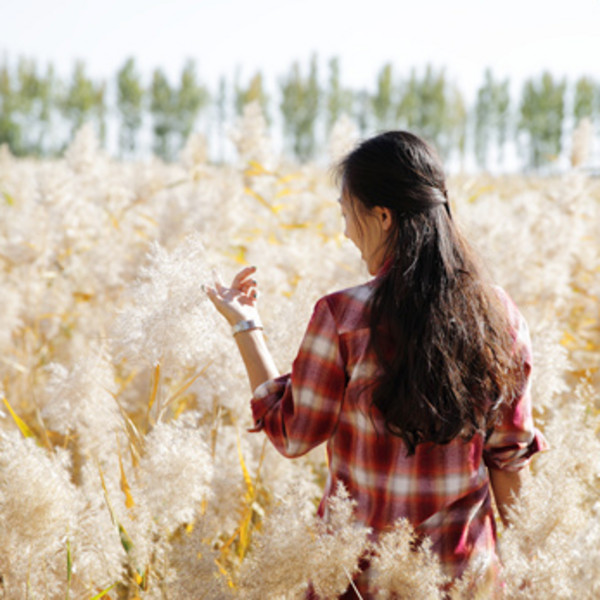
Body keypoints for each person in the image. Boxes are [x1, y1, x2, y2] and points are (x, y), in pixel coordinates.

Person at [206, 131, 547, 597]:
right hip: (463, 584)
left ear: (382, 216)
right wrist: (535, 571)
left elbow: (293, 433)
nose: (346, 231)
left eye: (348, 213)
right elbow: (510, 460)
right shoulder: (499, 316)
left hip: (358, 583)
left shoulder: (343, 318)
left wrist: (247, 327)